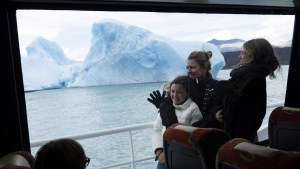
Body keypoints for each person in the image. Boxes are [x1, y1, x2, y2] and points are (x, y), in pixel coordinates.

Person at [215, 38, 281, 143]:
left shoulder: (253, 79)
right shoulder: (248, 76)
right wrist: (220, 110)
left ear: (254, 55)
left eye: (243, 53)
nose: (239, 56)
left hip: (239, 138)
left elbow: (239, 110)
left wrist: (221, 87)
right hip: (242, 135)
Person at [148, 51, 222, 129]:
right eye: (188, 67)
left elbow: (215, 115)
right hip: (180, 134)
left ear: (205, 68)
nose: (189, 70)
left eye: (193, 67)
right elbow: (170, 104)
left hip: (205, 134)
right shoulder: (184, 84)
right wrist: (162, 105)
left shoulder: (216, 87)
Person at [152, 75, 202, 169]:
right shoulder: (166, 106)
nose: (174, 95)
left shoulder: (193, 109)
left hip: (183, 159)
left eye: (179, 92)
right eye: (173, 91)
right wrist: (159, 152)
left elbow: (195, 139)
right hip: (164, 157)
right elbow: (157, 130)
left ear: (187, 93)